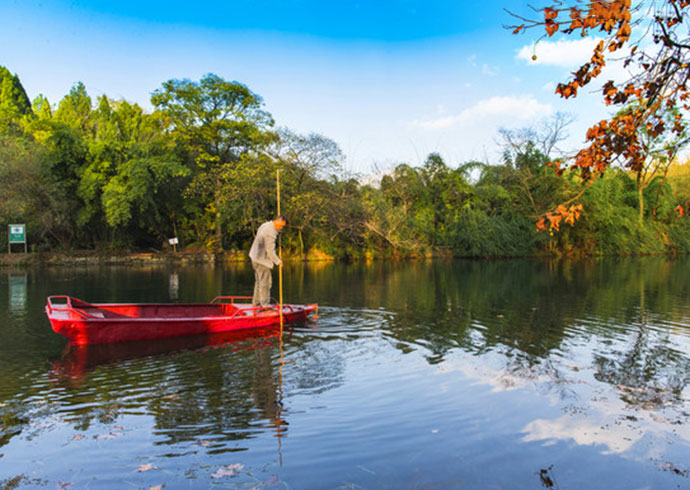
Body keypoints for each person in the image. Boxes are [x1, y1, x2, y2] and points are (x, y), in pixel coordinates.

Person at [249, 215, 286, 306]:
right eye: (281, 225)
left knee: (259, 281)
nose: (281, 227)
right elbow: (270, 251)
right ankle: (265, 305)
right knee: (265, 283)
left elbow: (264, 235)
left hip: (254, 256)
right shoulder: (270, 233)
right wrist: (278, 261)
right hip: (262, 260)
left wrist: (278, 232)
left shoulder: (266, 225)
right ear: (277, 221)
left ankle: (256, 303)